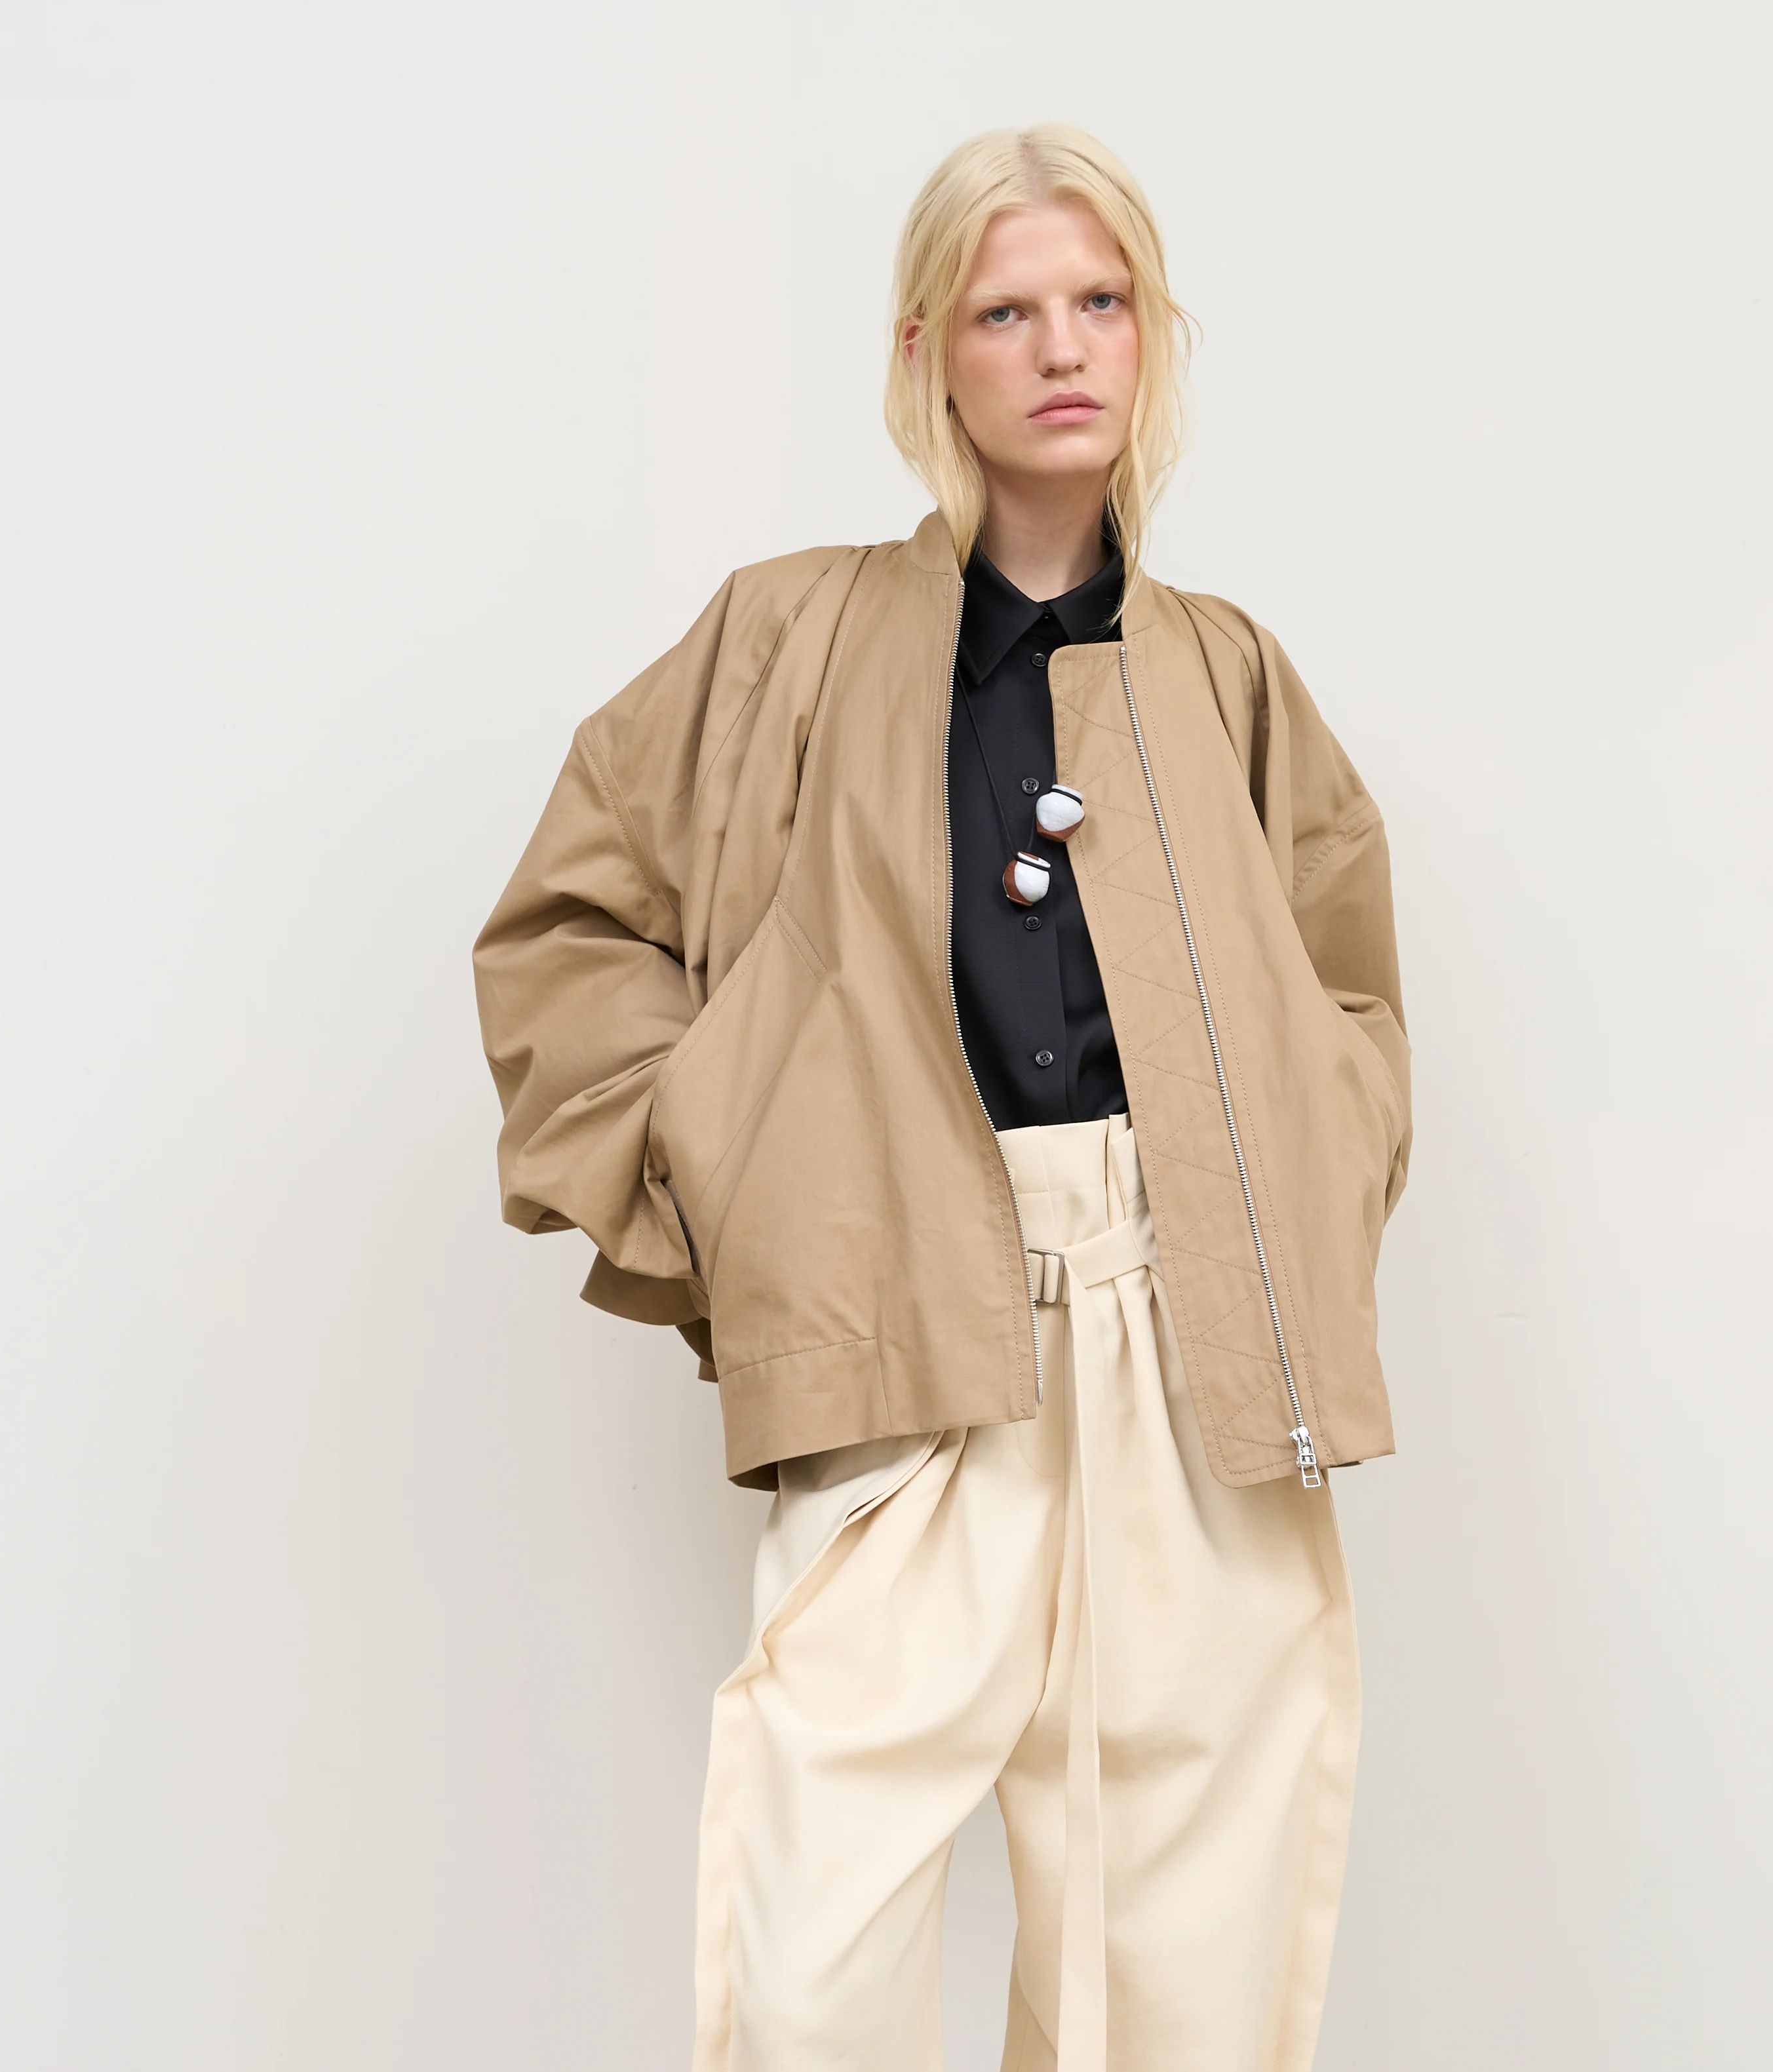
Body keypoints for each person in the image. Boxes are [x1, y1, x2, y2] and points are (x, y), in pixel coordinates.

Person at [473, 121, 1412, 2072]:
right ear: (928, 354)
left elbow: (1346, 991)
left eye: (1102, 302)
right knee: (813, 1921)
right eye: (1007, 311)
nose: (1062, 348)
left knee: (1186, 1939)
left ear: (1151, 337)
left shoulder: (1226, 671)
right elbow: (570, 923)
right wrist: (734, 1182)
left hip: (1193, 1342)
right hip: (902, 1297)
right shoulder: (790, 632)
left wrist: (1312, 1168)